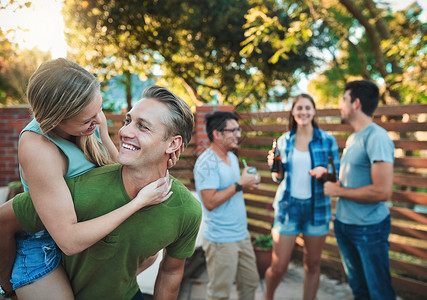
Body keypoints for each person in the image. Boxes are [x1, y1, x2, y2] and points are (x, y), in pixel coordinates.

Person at [0, 60, 178, 300]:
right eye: (88, 120)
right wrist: (137, 204)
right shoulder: (38, 147)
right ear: (55, 121)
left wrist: (157, 155)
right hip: (43, 247)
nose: (99, 119)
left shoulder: (87, 121)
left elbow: (115, 173)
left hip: (86, 231)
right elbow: (69, 241)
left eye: (99, 109)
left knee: (149, 256)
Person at [324, 80, 396, 299]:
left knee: (379, 292)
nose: (339, 106)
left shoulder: (377, 137)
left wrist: (339, 192)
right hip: (345, 225)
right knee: (360, 291)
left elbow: (382, 192)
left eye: (343, 101)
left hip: (368, 229)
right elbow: (355, 181)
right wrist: (333, 182)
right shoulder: (354, 137)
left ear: (355, 103)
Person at [264, 94, 340, 300]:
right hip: (288, 209)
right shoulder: (284, 140)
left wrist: (325, 172)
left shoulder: (327, 140)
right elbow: (278, 177)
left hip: (317, 209)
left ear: (314, 111)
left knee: (313, 265)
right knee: (278, 267)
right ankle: (267, 296)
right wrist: (275, 165)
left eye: (307, 108)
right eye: (299, 108)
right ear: (293, 112)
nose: (304, 112)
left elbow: (336, 176)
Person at [193, 111, 260, 300]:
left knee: (250, 283)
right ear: (218, 134)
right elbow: (210, 202)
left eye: (238, 130)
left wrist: (248, 182)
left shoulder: (232, 157)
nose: (239, 134)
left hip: (241, 235)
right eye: (234, 130)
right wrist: (240, 184)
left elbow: (232, 190)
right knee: (219, 294)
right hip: (220, 241)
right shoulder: (206, 163)